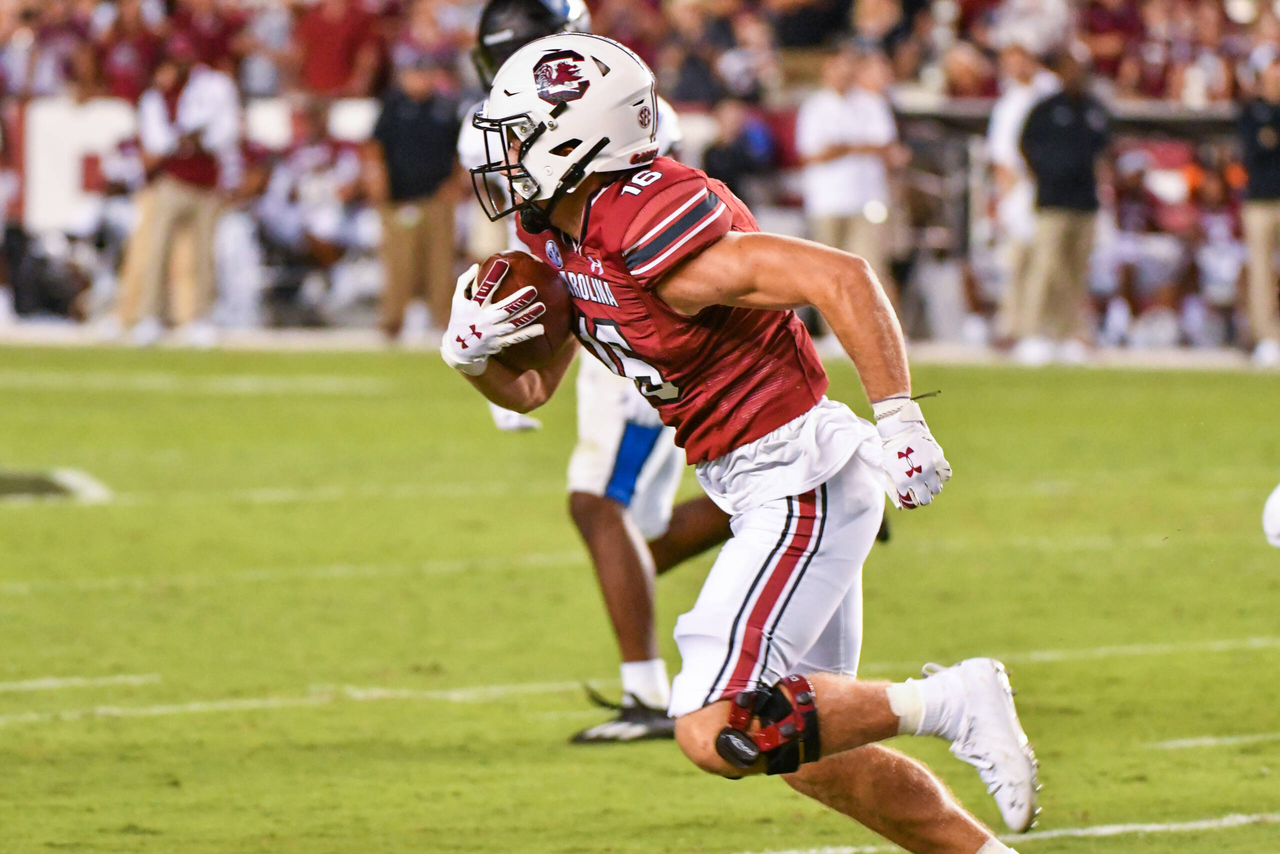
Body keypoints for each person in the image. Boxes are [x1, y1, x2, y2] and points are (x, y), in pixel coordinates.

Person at [444, 33, 1039, 851]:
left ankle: (950, 701)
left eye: (520, 135)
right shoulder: (555, 231)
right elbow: (532, 389)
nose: (504, 155)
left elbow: (842, 276)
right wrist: (472, 359)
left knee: (712, 723)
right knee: (807, 752)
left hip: (797, 478)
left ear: (575, 141)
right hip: (757, 482)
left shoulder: (646, 223)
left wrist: (900, 417)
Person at [458, 0, 735, 743]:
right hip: (602, 317)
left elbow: (602, 244)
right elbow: (538, 245)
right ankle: (804, 497)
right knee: (637, 524)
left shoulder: (619, 122)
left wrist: (543, 333)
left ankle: (646, 692)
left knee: (597, 505)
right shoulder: (524, 120)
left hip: (630, 322)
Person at [125, 33, 241, 347]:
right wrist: (185, 139)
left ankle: (201, 318)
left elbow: (225, 130)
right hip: (172, 181)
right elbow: (157, 141)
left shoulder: (214, 86)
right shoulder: (157, 95)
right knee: (156, 251)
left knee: (204, 256)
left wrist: (196, 140)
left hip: (207, 182)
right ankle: (150, 316)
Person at [796, 50, 908, 315]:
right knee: (828, 274)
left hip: (867, 199)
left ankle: (886, 328)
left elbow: (887, 148)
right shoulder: (814, 107)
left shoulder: (871, 104)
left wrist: (842, 147)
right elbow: (811, 155)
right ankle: (834, 330)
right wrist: (858, 147)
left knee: (873, 271)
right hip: (826, 201)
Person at [1016, 48, 1110, 365]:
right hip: (1052, 202)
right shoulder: (1045, 109)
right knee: (1045, 268)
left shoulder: (1094, 109)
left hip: (1085, 202)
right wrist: (1045, 176)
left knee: (1075, 272)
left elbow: (1104, 150)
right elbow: (1025, 147)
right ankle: (1033, 333)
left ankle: (1068, 334)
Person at [364, 47, 462, 340]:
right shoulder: (392, 106)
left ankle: (444, 321)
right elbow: (375, 147)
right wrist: (377, 182)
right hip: (399, 199)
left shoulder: (445, 108)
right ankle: (392, 321)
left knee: (440, 264)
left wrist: (455, 183)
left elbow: (460, 151)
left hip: (437, 199)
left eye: (425, 73)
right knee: (399, 263)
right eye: (415, 74)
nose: (420, 79)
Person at [986, 35, 1058, 344]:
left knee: (1049, 265)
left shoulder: (1052, 93)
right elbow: (1000, 160)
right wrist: (1002, 199)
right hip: (1018, 192)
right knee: (1016, 264)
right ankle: (1013, 328)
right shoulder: (1008, 103)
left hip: (1050, 188)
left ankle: (1044, 330)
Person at [1238, 49, 1280, 368]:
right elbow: (1256, 150)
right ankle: (1266, 338)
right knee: (1261, 272)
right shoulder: (1252, 112)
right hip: (1260, 200)